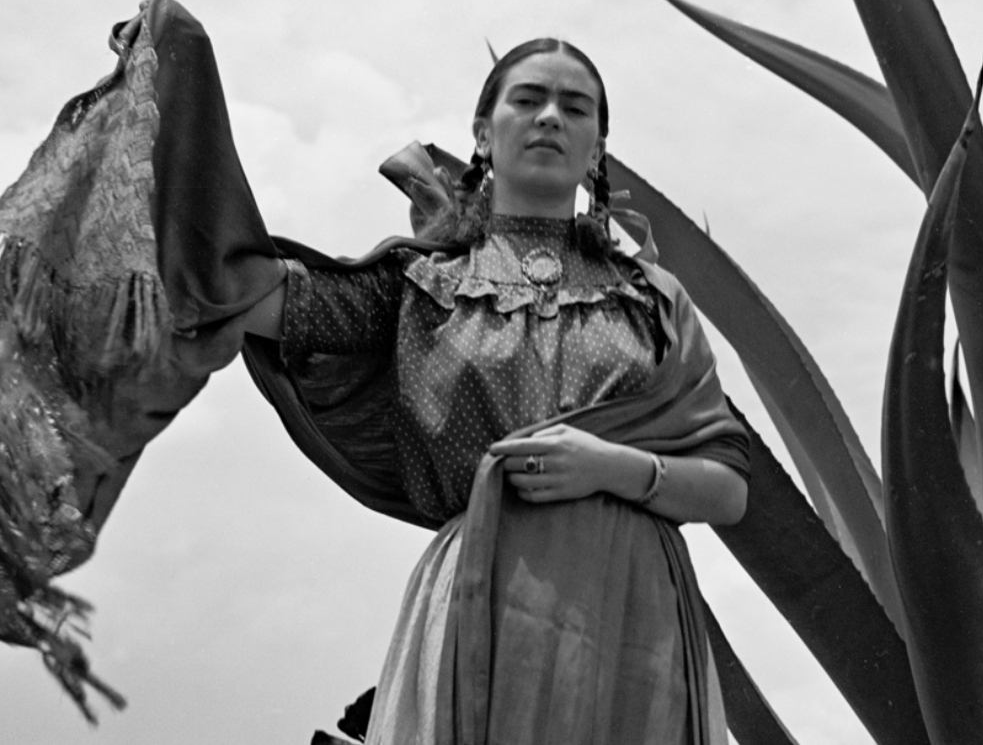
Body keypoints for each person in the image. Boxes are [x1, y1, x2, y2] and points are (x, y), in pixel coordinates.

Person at [240, 38, 751, 744]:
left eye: (575, 108)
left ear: (597, 147)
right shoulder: (424, 284)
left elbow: (727, 488)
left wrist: (612, 467)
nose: (550, 117)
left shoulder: (651, 299)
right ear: (483, 134)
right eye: (528, 99)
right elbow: (257, 301)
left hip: (637, 619)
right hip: (477, 603)